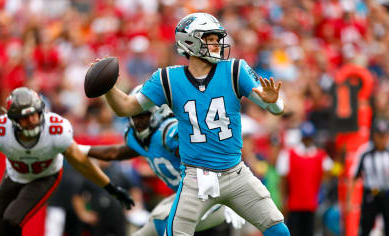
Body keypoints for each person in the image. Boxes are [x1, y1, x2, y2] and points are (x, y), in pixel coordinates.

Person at [97, 12, 289, 236]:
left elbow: (277, 108)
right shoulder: (167, 79)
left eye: (218, 39)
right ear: (189, 42)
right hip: (196, 179)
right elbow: (126, 107)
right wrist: (108, 87)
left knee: (279, 231)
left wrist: (273, 102)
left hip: (236, 174)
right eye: (210, 39)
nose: (217, 44)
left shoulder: (235, 70)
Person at [82, 85, 246, 236]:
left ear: (157, 112)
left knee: (163, 219)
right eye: (134, 117)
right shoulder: (141, 140)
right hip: (191, 199)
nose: (138, 122)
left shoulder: (168, 132)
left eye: (143, 116)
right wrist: (79, 149)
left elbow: (200, 152)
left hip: (212, 197)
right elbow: (114, 153)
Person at [0, 87, 135, 236]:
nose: (32, 120)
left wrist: (110, 187)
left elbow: (83, 164)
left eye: (34, 114)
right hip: (14, 175)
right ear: (13, 120)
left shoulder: (56, 130)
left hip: (44, 177)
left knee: (12, 218)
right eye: (25, 117)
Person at [276, 121, 333, 236]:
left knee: (309, 231)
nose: (307, 140)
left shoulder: (319, 155)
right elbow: (283, 180)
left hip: (311, 204)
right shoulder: (289, 154)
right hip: (294, 204)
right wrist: (284, 200)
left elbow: (329, 172)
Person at [347, 119, 389, 236]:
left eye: (384, 135)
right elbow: (354, 176)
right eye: (379, 135)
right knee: (366, 226)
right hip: (370, 194)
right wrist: (349, 200)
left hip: (387, 193)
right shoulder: (365, 152)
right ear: (374, 136)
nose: (382, 139)